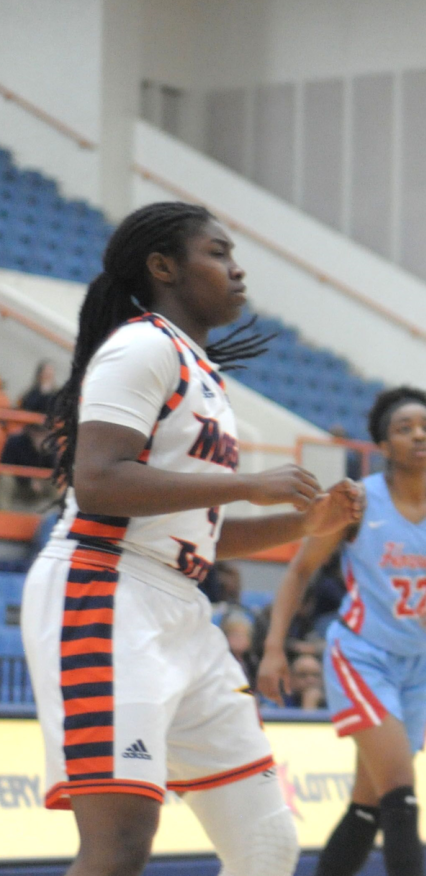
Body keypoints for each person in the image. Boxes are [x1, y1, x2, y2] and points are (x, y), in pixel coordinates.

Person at [20, 201, 363, 876]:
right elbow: (98, 480)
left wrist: (304, 523)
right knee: (119, 845)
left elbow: (194, 535)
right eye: (218, 253)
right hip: (106, 592)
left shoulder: (199, 370)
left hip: (179, 604)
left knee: (267, 842)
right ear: (163, 267)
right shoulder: (141, 346)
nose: (237, 270)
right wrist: (248, 484)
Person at [258, 386, 426, 876]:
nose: (419, 435)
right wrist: (274, 648)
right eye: (405, 428)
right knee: (400, 793)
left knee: (368, 805)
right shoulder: (358, 501)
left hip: (420, 663)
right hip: (362, 655)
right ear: (383, 445)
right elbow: (300, 569)